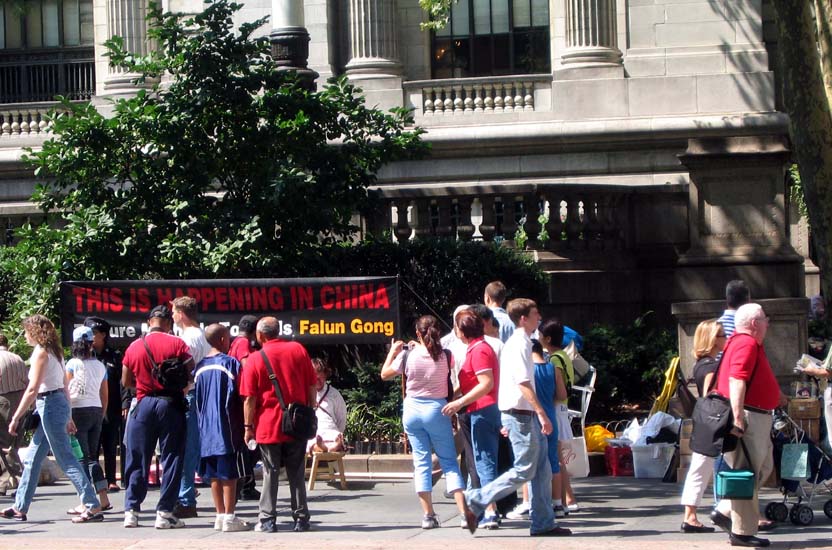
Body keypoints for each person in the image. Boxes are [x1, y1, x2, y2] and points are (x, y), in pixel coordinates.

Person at [464, 299, 571, 537]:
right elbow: (522, 383)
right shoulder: (519, 345)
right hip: (521, 415)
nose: (539, 317)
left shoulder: (522, 343)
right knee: (525, 470)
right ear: (523, 318)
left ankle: (543, 522)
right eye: (535, 314)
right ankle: (478, 498)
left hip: (523, 414)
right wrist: (542, 413)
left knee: (541, 470)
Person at [2, 315, 102, 523]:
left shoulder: (41, 353)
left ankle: (92, 505)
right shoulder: (55, 351)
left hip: (49, 404)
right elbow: (64, 386)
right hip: (56, 404)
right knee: (32, 458)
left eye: (27, 331)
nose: (25, 336)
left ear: (34, 331)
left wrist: (16, 417)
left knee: (65, 458)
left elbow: (32, 389)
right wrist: (68, 415)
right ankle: (20, 506)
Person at [381, 315, 474, 531]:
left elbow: (384, 374)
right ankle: (463, 514)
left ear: (417, 333)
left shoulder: (407, 355)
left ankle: (428, 515)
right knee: (449, 462)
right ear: (437, 332)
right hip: (437, 409)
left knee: (421, 463)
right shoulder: (446, 355)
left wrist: (393, 351)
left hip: (412, 409)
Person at [710, 303, 787, 548]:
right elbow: (737, 379)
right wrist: (738, 417)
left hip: (756, 416)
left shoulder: (742, 342)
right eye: (765, 319)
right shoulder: (746, 343)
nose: (768, 323)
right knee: (747, 474)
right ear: (755, 323)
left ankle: (724, 509)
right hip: (749, 417)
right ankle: (742, 532)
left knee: (763, 467)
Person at [241, 316, 316, 534]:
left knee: (270, 472)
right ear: (278, 331)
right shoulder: (298, 350)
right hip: (297, 422)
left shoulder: (255, 358)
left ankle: (267, 520)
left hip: (268, 424)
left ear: (260, 335)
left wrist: (248, 427)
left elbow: (249, 398)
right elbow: (312, 385)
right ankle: (301, 518)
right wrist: (310, 411)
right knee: (296, 472)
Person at [121, 305, 193, 529]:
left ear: (149, 322)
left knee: (137, 457)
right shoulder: (178, 344)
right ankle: (164, 512)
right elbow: (190, 373)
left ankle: (131, 511)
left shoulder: (134, 346)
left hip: (143, 404)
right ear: (168, 323)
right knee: (171, 457)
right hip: (170, 405)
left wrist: (143, 385)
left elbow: (126, 381)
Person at [442, 309, 501, 529]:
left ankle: (490, 511)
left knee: (484, 461)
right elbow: (473, 382)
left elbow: (486, 383)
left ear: (462, 331)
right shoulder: (477, 348)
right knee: (482, 460)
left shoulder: (479, 350)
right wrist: (456, 396)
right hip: (481, 409)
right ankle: (489, 509)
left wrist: (459, 402)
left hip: (482, 409)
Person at [194, 324, 251, 532]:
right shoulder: (230, 363)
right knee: (230, 473)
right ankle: (229, 516)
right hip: (227, 425)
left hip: (205, 427)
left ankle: (219, 514)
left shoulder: (199, 367)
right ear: (221, 340)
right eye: (228, 337)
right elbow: (242, 394)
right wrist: (247, 424)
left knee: (214, 474)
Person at [678, 319, 724, 533]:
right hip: (713, 422)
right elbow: (709, 395)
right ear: (713, 340)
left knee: (700, 468)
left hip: (705, 422)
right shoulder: (712, 367)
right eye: (722, 335)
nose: (726, 338)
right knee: (702, 467)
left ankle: (691, 515)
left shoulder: (700, 364)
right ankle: (692, 516)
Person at [171, 296, 211, 519]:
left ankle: (186, 499)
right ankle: (187, 493)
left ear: (181, 314)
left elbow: (187, 370)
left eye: (174, 312)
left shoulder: (188, 338)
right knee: (192, 447)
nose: (172, 316)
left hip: (190, 393)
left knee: (186, 448)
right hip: (199, 393)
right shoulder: (202, 334)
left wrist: (183, 389)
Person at [66, 326, 112, 514]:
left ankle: (86, 501)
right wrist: (101, 413)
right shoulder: (100, 365)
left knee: (81, 458)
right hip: (96, 410)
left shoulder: (72, 364)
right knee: (93, 457)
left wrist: (68, 417)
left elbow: (66, 391)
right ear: (92, 343)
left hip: (77, 411)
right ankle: (103, 497)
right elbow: (105, 394)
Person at [83, 316, 126, 493]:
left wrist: (125, 403)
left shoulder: (115, 356)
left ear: (103, 335)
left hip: (111, 405)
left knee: (110, 443)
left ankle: (111, 479)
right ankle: (94, 480)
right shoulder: (84, 355)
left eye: (94, 333)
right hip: (90, 405)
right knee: (91, 446)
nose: (91, 337)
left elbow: (123, 382)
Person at [543, 320, 580, 513]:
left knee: (557, 458)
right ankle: (566, 498)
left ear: (548, 338)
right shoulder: (564, 355)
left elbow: (558, 387)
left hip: (556, 408)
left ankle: (568, 499)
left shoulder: (554, 360)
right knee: (558, 458)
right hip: (562, 408)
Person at [229, 314, 261, 502]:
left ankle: (247, 485)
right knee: (251, 443)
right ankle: (245, 485)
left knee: (249, 445)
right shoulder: (243, 344)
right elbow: (248, 367)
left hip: (238, 399)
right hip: (244, 399)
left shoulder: (235, 343)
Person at [0, 332, 28, 488]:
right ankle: (9, 481)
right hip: (20, 400)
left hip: (3, 400)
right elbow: (27, 381)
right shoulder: (17, 358)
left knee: (4, 444)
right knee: (13, 442)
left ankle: (13, 480)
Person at [308, 358, 347, 453]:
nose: (318, 381)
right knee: (312, 441)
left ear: (325, 376)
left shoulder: (334, 394)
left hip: (330, 430)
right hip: (313, 430)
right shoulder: (305, 393)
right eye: (315, 378)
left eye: (320, 378)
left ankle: (332, 446)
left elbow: (342, 418)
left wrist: (338, 431)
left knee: (336, 437)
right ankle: (323, 447)